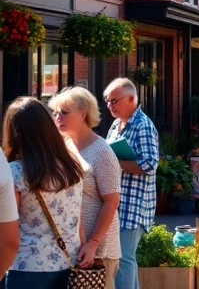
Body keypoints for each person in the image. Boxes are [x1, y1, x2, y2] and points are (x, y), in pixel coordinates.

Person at [3, 97, 84, 288]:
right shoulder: (73, 167)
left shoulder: (15, 171)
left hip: (26, 267)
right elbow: (78, 220)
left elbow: (8, 231)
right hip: (69, 265)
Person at [50, 87, 122, 289]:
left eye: (64, 112)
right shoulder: (65, 146)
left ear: (83, 114)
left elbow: (112, 202)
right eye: (55, 112)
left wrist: (93, 244)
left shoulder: (102, 152)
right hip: (72, 245)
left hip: (97, 250)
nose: (57, 117)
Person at [104, 78, 159, 289]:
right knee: (124, 258)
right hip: (119, 202)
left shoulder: (143, 125)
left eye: (114, 101)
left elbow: (149, 164)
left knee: (124, 258)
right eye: (107, 101)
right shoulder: (117, 124)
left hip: (134, 204)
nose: (110, 105)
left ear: (130, 99)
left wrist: (115, 161)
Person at [0, 152, 20, 282]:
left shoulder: (16, 170)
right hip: (64, 260)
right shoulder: (72, 167)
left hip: (24, 264)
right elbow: (10, 242)